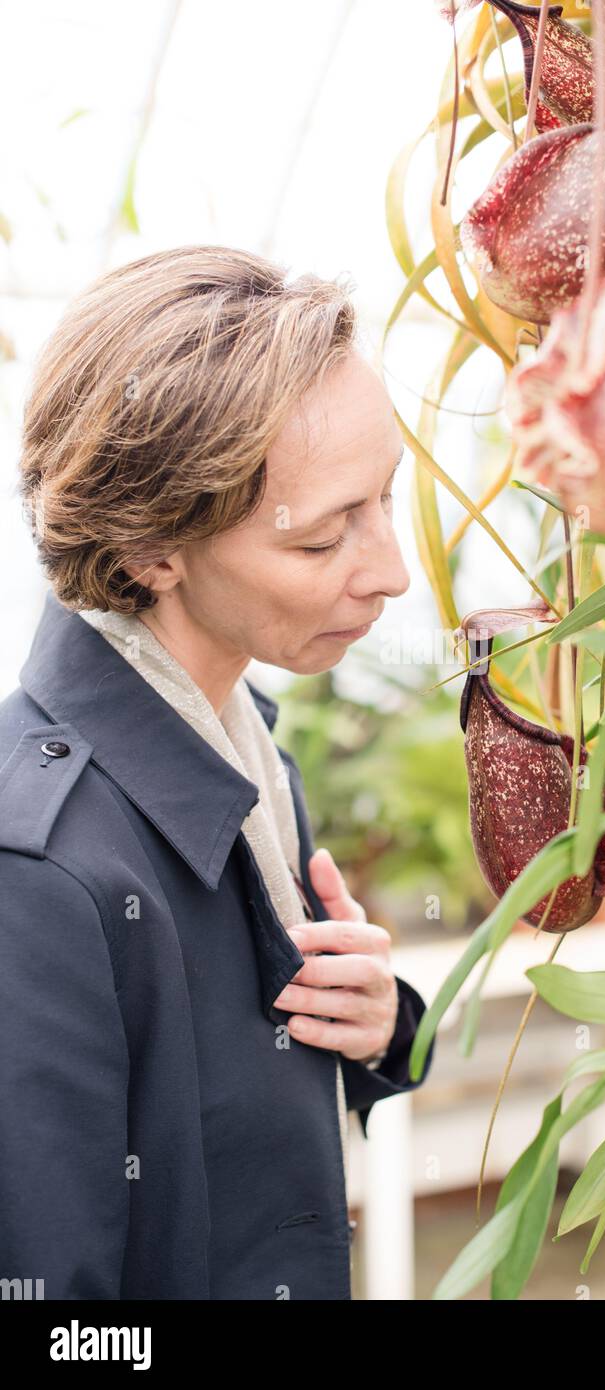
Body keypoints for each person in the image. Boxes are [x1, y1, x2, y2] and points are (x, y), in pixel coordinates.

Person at [0, 246, 435, 1300]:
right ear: (155, 549)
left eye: (385, 499)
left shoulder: (242, 750)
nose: (391, 570)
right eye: (329, 534)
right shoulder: (39, 871)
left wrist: (381, 1025)